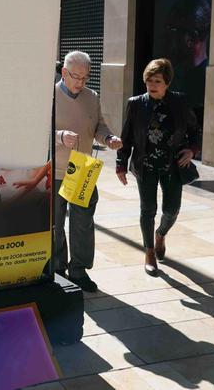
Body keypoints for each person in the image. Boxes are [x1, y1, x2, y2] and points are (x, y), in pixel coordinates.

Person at [115, 58, 200, 277]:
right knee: (148, 209)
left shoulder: (180, 103)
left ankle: (160, 234)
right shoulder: (136, 104)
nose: (152, 85)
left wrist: (192, 151)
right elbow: (127, 136)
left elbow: (194, 131)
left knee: (172, 210)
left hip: (173, 165)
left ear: (167, 83)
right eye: (149, 80)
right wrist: (121, 164)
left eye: (157, 81)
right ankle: (149, 252)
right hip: (146, 164)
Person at [53, 51, 122, 292]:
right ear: (64, 72)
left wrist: (109, 138)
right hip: (55, 169)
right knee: (55, 223)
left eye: (85, 78)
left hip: (81, 169)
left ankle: (79, 271)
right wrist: (60, 136)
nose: (80, 83)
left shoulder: (92, 97)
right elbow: (36, 133)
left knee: (82, 224)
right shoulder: (49, 96)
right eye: (75, 77)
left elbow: (99, 125)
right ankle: (57, 269)